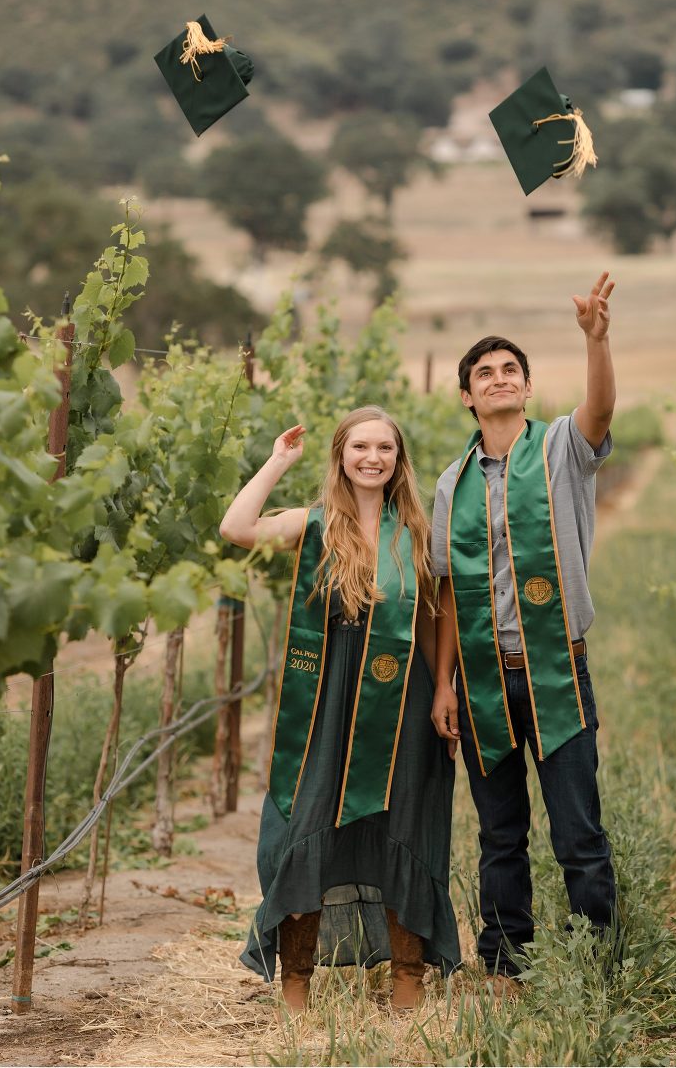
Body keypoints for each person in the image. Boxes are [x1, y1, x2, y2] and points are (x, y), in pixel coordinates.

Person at [220, 406, 460, 1014]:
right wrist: (277, 461)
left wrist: (443, 689)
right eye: (360, 447)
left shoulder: (418, 533)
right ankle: (296, 982)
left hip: (402, 695)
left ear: (398, 459)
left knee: (402, 821)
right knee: (309, 823)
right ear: (341, 455)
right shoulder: (316, 524)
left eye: (384, 448)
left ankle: (408, 977)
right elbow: (236, 528)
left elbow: (435, 618)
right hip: (327, 701)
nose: (373, 458)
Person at [430, 272, 618, 981]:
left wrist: (596, 339)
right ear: (467, 396)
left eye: (511, 369)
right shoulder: (453, 482)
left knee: (578, 829)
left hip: (555, 667)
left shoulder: (563, 447)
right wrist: (443, 683)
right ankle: (505, 960)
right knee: (499, 834)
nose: (500, 379)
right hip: (482, 675)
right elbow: (445, 589)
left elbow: (600, 407)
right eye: (486, 372)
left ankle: (596, 960)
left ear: (528, 387)